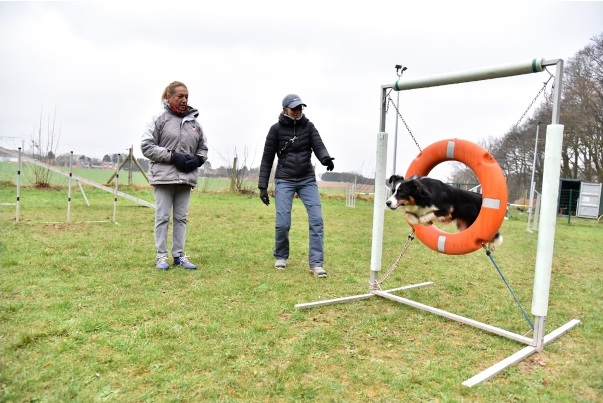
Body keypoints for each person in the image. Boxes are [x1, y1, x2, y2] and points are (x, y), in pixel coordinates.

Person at [258, 94, 335, 278]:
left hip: (307, 179)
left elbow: (318, 145)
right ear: (285, 109)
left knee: (317, 220)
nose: (298, 111)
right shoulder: (275, 130)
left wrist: (325, 158)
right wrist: (262, 186)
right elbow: (267, 159)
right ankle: (281, 256)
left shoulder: (308, 126)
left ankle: (316, 264)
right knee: (283, 223)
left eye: (300, 108)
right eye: (294, 108)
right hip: (284, 179)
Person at [141, 81, 208, 270]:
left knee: (181, 218)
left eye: (187, 96)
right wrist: (172, 156)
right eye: (180, 96)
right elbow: (147, 146)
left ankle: (179, 255)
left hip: (186, 179)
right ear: (168, 97)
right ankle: (161, 256)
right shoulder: (158, 119)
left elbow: (203, 148)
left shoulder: (195, 124)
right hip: (163, 177)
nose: (184, 100)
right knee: (162, 217)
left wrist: (198, 160)